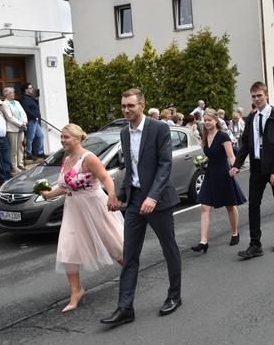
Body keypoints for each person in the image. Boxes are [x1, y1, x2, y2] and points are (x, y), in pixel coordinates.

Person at [100, 88, 182, 326]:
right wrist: (120, 196)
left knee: (169, 249)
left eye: (131, 106)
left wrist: (153, 197)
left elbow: (165, 165)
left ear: (142, 106)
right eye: (123, 106)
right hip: (135, 201)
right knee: (130, 255)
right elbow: (131, 169)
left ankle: (174, 296)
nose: (126, 110)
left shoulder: (159, 128)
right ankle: (125, 308)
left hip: (159, 202)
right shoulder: (124, 133)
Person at [39, 124, 124, 313]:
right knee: (68, 248)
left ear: (78, 139)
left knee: (113, 244)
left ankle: (130, 272)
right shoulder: (66, 160)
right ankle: (76, 291)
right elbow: (66, 186)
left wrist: (111, 195)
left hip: (94, 207)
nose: (62, 140)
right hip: (73, 209)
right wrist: (48, 194)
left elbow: (105, 178)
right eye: (62, 137)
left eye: (66, 137)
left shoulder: (89, 158)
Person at [230, 81, 274, 259]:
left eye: (259, 96)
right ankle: (255, 244)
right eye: (254, 96)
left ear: (266, 95)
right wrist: (236, 165)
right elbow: (246, 144)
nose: (257, 99)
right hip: (256, 166)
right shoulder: (251, 118)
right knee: (253, 205)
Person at [191, 109, 246, 253]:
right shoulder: (205, 136)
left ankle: (235, 233)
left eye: (209, 120)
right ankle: (203, 242)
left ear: (216, 121)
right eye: (205, 120)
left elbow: (231, 156)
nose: (207, 122)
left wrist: (235, 168)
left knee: (230, 205)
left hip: (223, 173)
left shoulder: (223, 136)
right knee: (204, 206)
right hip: (210, 174)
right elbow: (211, 155)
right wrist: (203, 161)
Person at [1, 87, 27, 174]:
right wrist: (20, 124)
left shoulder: (17, 102)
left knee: (20, 147)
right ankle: (14, 166)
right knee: (13, 148)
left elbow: (23, 113)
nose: (13, 94)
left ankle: (20, 164)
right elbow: (9, 117)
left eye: (13, 92)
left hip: (21, 127)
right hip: (12, 129)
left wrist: (24, 122)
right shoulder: (4, 104)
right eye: (11, 92)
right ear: (6, 94)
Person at [21, 82, 46, 160]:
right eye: (30, 88)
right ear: (26, 90)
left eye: (32, 88)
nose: (32, 89)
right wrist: (34, 116)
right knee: (30, 138)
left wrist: (36, 99)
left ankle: (39, 152)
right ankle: (29, 154)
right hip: (31, 120)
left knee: (40, 136)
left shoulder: (30, 97)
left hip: (35, 120)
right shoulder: (24, 98)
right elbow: (26, 109)